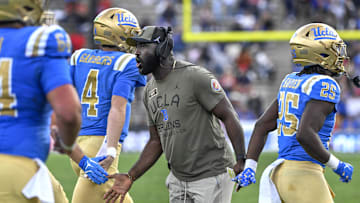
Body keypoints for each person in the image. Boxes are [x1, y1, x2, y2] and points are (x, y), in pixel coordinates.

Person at [104, 26, 246, 203]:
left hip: (211, 176)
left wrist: (241, 159)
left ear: (162, 48)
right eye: (136, 48)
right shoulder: (149, 90)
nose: (137, 53)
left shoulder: (195, 76)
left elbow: (229, 115)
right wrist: (131, 176)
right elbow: (156, 141)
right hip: (178, 180)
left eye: (143, 47)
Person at [233, 23, 354, 203]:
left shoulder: (290, 81)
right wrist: (337, 165)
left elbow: (262, 125)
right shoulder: (325, 84)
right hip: (304, 175)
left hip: (279, 175)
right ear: (319, 52)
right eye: (334, 49)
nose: (339, 55)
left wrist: (250, 166)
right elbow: (304, 134)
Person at [0, 0, 108, 202]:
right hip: (18, 165)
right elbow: (68, 113)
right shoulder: (40, 41)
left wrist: (82, 160)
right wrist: (68, 146)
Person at [68, 8, 147, 203]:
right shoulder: (126, 61)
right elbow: (117, 107)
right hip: (101, 145)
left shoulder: (78, 57)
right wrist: (110, 149)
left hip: (78, 144)